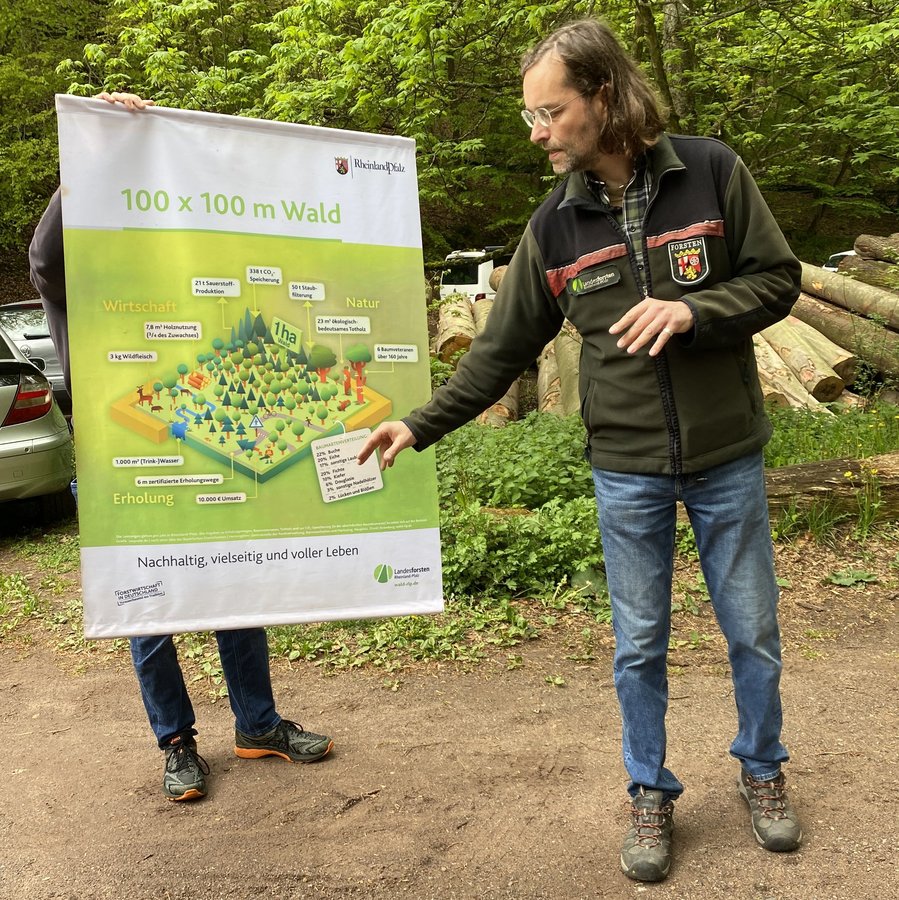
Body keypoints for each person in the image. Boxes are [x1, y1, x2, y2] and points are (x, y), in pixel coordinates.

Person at [359, 19, 802, 883]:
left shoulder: (710, 171)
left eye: (548, 112)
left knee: (751, 630)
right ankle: (649, 789)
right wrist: (417, 425)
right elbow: (497, 353)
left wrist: (694, 310)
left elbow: (776, 279)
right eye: (530, 116)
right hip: (626, 470)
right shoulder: (554, 225)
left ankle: (762, 769)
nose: (537, 132)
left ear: (602, 96)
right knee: (637, 644)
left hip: (726, 455)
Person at [29, 91, 333, 803]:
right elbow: (43, 259)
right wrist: (89, 155)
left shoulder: (183, 284)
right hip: (123, 466)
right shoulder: (79, 280)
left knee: (235, 590)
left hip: (206, 457)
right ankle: (176, 743)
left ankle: (258, 725)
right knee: (150, 607)